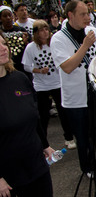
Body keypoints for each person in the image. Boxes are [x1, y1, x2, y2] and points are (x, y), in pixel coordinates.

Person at [0, 33, 56, 197]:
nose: (4, 48)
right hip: (4, 176)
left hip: (34, 166)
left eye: (4, 43)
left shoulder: (20, 79)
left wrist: (46, 146)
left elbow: (34, 117)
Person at [50, 0, 96, 177]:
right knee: (83, 137)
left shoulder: (93, 31)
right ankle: (88, 167)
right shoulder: (58, 38)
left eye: (88, 13)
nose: (87, 17)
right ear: (70, 15)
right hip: (76, 99)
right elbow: (67, 66)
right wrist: (84, 46)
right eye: (82, 14)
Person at [21, 19, 76, 149]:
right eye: (41, 30)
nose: (45, 32)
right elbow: (27, 67)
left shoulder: (54, 44)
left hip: (57, 83)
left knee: (63, 112)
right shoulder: (30, 48)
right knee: (43, 115)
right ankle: (43, 142)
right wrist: (39, 71)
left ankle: (69, 137)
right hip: (41, 86)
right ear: (36, 33)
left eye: (46, 29)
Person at [0, 6, 30, 78]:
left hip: (22, 65)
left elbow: (29, 48)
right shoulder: (1, 33)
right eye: (5, 16)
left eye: (10, 15)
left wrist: (26, 42)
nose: (8, 18)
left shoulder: (21, 30)